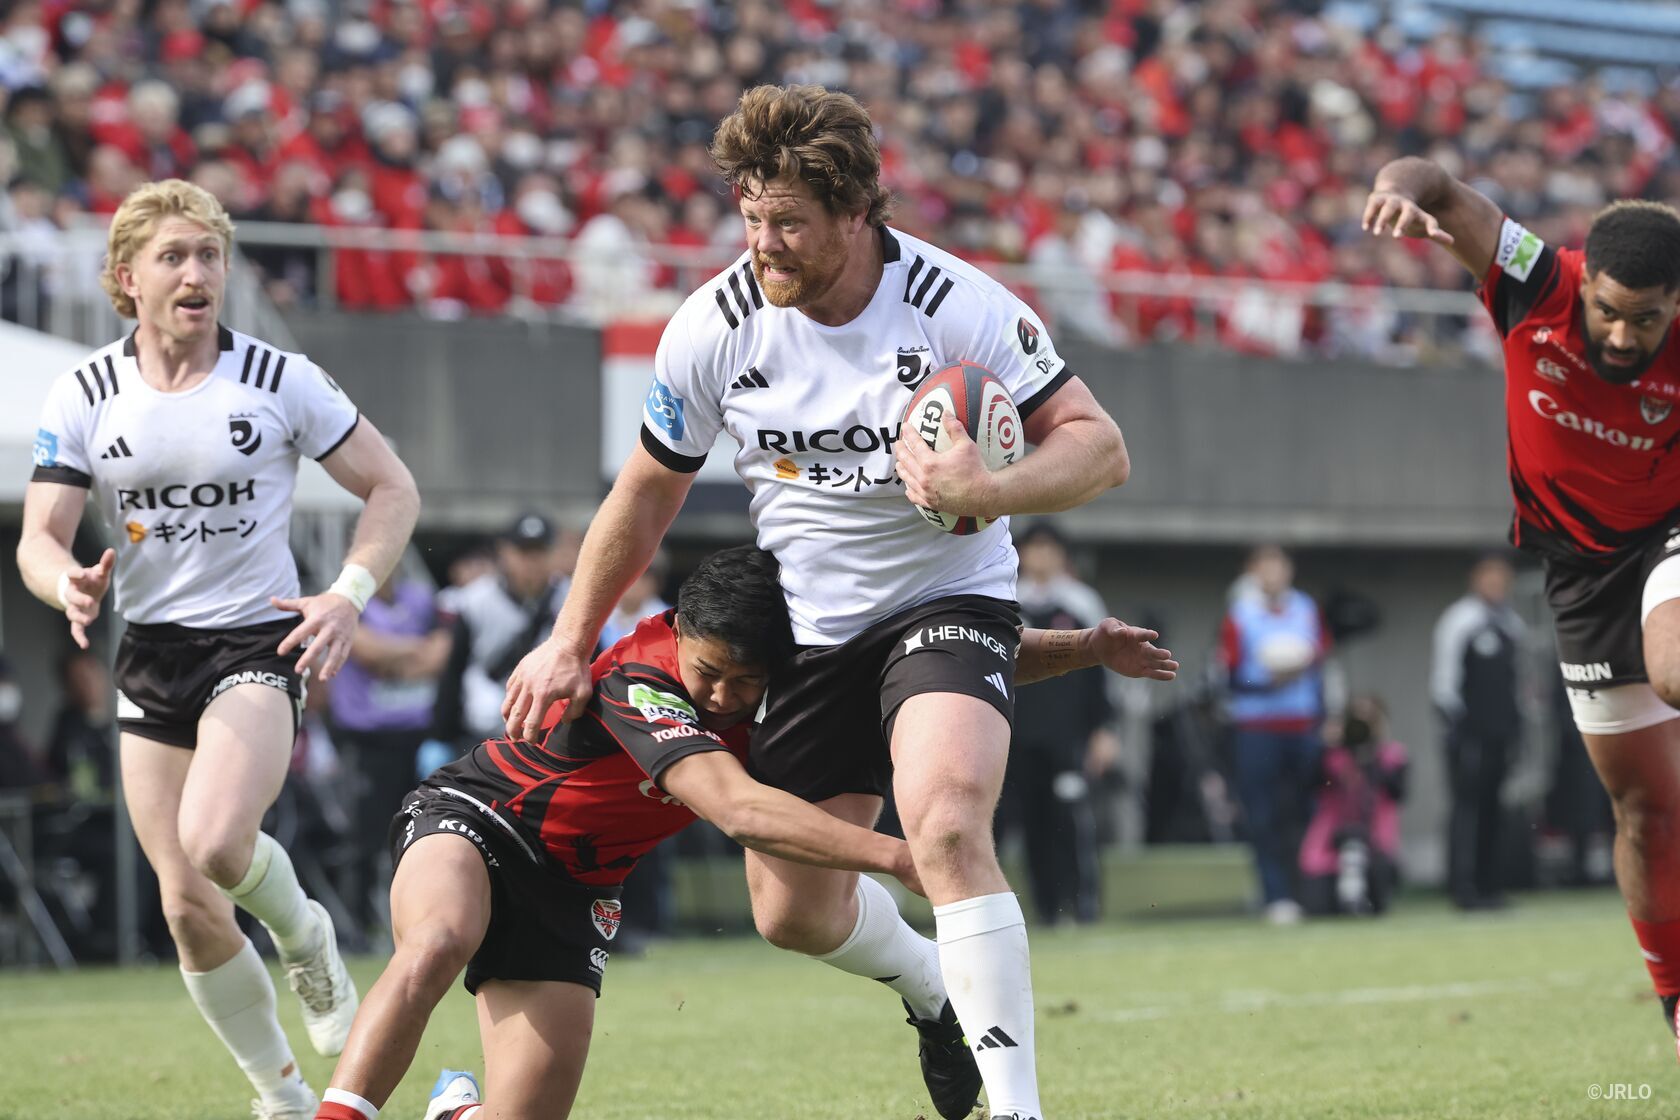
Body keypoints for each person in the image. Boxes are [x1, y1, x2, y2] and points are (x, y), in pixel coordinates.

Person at [503, 84, 1133, 1120]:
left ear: (857, 212)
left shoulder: (957, 305)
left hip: (947, 595)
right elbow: (647, 491)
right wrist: (571, 638)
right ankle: (932, 988)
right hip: (809, 629)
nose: (764, 245)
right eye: (751, 218)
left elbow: (1100, 446)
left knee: (945, 821)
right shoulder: (714, 325)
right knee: (791, 913)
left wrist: (990, 490)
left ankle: (1019, 1110)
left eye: (789, 222)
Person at [311, 546, 1175, 1120]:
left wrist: (1088, 648)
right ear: (680, 634)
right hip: (480, 816)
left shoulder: (783, 669)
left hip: (576, 889)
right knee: (438, 941)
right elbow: (736, 809)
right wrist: (895, 856)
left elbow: (937, 658)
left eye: (744, 682)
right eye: (709, 673)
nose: (722, 697)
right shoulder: (641, 676)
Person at [17, 178, 420, 1118]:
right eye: (174, 257)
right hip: (151, 653)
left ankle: (306, 934)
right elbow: (40, 537)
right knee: (187, 908)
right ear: (128, 277)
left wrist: (348, 594)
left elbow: (392, 487)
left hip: (257, 639)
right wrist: (63, 582)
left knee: (214, 841)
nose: (196, 273)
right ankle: (281, 1096)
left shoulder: (280, 378)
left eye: (210, 255)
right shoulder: (86, 391)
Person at [1363, 163, 1680, 1048]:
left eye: (1648, 319)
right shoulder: (1536, 278)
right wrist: (1398, 184)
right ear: (1588, 283)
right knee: (1644, 811)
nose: (1623, 335)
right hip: (1577, 571)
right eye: (1609, 312)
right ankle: (1675, 998)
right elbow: (1439, 186)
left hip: (1669, 532)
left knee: (1673, 668)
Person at [1003, 520, 1120, 925]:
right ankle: (1046, 910)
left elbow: (1101, 672)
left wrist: (1104, 730)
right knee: (1028, 823)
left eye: (1050, 549)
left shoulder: (1081, 603)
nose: (1042, 557)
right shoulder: (1007, 600)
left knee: (1070, 820)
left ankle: (1081, 905)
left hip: (1067, 736)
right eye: (1035, 548)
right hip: (1016, 734)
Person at [327, 572, 450, 937]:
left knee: (426, 834)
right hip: (368, 741)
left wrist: (392, 657)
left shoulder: (422, 599)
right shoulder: (347, 602)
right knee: (364, 839)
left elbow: (441, 653)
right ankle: (356, 929)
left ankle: (421, 921)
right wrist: (413, 650)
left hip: (419, 738)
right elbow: (366, 650)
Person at [1217, 545, 1330, 924]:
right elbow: (1230, 677)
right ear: (1252, 572)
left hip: (1302, 726)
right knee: (1261, 815)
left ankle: (1311, 890)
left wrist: (1324, 714)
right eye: (1263, 567)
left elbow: (1322, 664)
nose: (1272, 573)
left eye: (1278, 566)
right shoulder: (1240, 614)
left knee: (1308, 811)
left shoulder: (1306, 609)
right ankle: (1275, 895)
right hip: (1257, 729)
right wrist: (1269, 681)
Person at [429, 512, 569, 756]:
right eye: (523, 552)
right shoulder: (475, 600)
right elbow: (454, 669)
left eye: (540, 552)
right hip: (483, 730)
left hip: (552, 732)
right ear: (504, 552)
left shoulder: (572, 600)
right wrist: (441, 735)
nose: (532, 561)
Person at [1431, 553, 1526, 910]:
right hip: (1469, 734)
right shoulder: (1460, 620)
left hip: (1502, 733)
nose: (1496, 585)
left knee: (1494, 808)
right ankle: (1463, 886)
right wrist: (1458, 727)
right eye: (1490, 577)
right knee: (1467, 809)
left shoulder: (1511, 623)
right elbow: (1444, 682)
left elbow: (1517, 681)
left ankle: (1491, 886)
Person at [1298, 694, 1408, 917]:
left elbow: (1397, 792)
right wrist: (1326, 746)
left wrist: (1370, 756)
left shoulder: (1392, 756)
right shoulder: (1333, 758)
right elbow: (1311, 784)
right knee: (1318, 906)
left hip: (1375, 843)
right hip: (1331, 841)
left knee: (1374, 901)